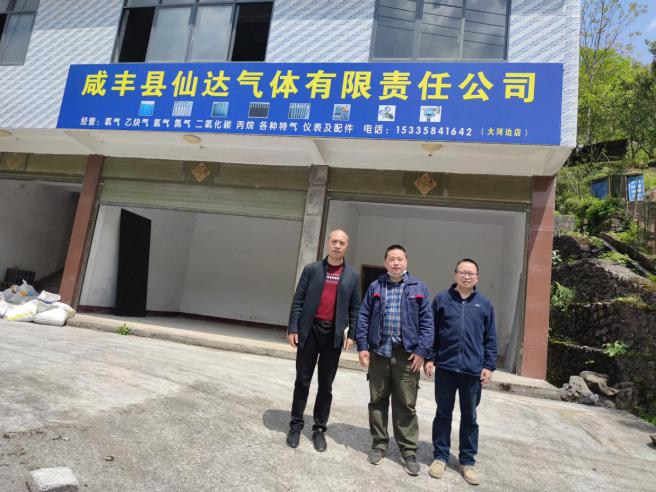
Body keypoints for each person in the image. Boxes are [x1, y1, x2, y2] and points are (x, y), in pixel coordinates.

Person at [356, 245, 433, 476]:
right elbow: (364, 316)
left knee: (406, 404)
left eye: (400, 259)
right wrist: (363, 346)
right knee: (377, 400)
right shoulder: (376, 286)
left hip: (407, 355)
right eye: (391, 259)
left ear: (406, 261)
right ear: (385, 262)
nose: (396, 263)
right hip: (379, 353)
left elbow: (427, 323)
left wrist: (422, 351)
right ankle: (379, 445)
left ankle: (408, 450)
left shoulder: (419, 287)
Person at [424, 258, 498, 486]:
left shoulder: (484, 304)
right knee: (443, 414)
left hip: (472, 372)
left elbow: (490, 338)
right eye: (463, 272)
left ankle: (467, 461)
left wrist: (488, 366)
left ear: (477, 278)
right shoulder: (442, 300)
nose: (467, 276)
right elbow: (432, 332)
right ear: (455, 274)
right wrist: (429, 358)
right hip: (446, 368)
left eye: (471, 273)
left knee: (470, 417)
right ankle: (440, 456)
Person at [286, 229, 361, 452]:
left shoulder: (352, 276)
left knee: (326, 385)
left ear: (346, 246)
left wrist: (353, 334)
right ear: (328, 243)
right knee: (302, 381)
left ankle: (319, 429)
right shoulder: (312, 270)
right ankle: (295, 425)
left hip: (333, 335)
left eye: (342, 243)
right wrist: (293, 328)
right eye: (334, 241)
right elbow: (298, 300)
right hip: (309, 331)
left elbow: (355, 308)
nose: (337, 246)